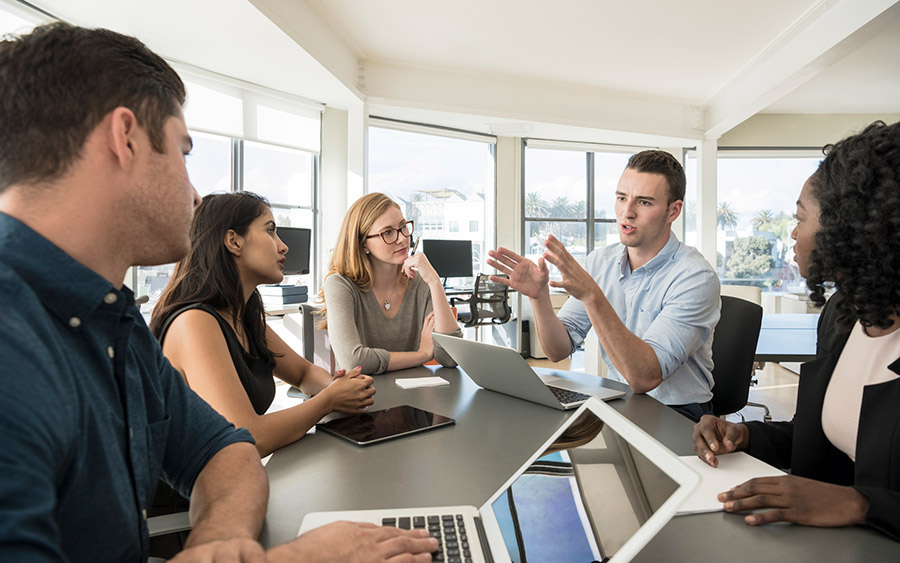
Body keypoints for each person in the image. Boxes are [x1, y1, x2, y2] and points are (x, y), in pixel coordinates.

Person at [0, 23, 436, 561]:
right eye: (183, 153)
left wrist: (220, 547)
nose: (193, 190)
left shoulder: (116, 320)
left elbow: (224, 449)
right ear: (126, 139)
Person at [692, 120, 900, 540]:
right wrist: (747, 435)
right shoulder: (844, 315)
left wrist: (860, 503)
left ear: (849, 230)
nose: (793, 232)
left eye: (800, 218)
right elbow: (825, 434)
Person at [489, 150, 720, 421]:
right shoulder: (600, 261)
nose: (627, 212)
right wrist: (539, 298)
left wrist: (592, 295)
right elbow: (557, 350)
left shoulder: (695, 277)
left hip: (679, 413)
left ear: (674, 211)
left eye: (644, 202)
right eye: (621, 198)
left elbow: (644, 378)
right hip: (622, 403)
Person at [150, 192, 376, 457]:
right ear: (233, 241)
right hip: (187, 497)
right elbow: (247, 436)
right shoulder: (194, 323)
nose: (283, 246)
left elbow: (303, 374)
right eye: (270, 231)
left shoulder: (245, 317)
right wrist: (329, 400)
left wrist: (340, 389)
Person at [320, 192, 463, 374]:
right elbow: (354, 361)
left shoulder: (421, 283)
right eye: (388, 232)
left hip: (413, 397)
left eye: (403, 227)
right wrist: (422, 355)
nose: (402, 238)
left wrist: (435, 282)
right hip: (363, 398)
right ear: (363, 244)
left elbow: (450, 357)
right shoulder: (340, 284)